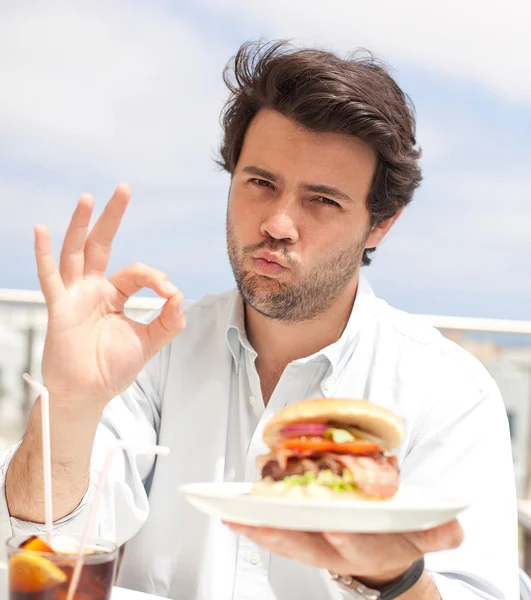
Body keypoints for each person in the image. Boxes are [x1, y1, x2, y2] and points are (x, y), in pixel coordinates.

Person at [0, 40, 519, 599]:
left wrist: (394, 575)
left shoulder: (449, 392)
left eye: (321, 200)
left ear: (380, 224)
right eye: (261, 183)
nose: (278, 223)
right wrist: (72, 405)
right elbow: (44, 550)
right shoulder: (149, 351)